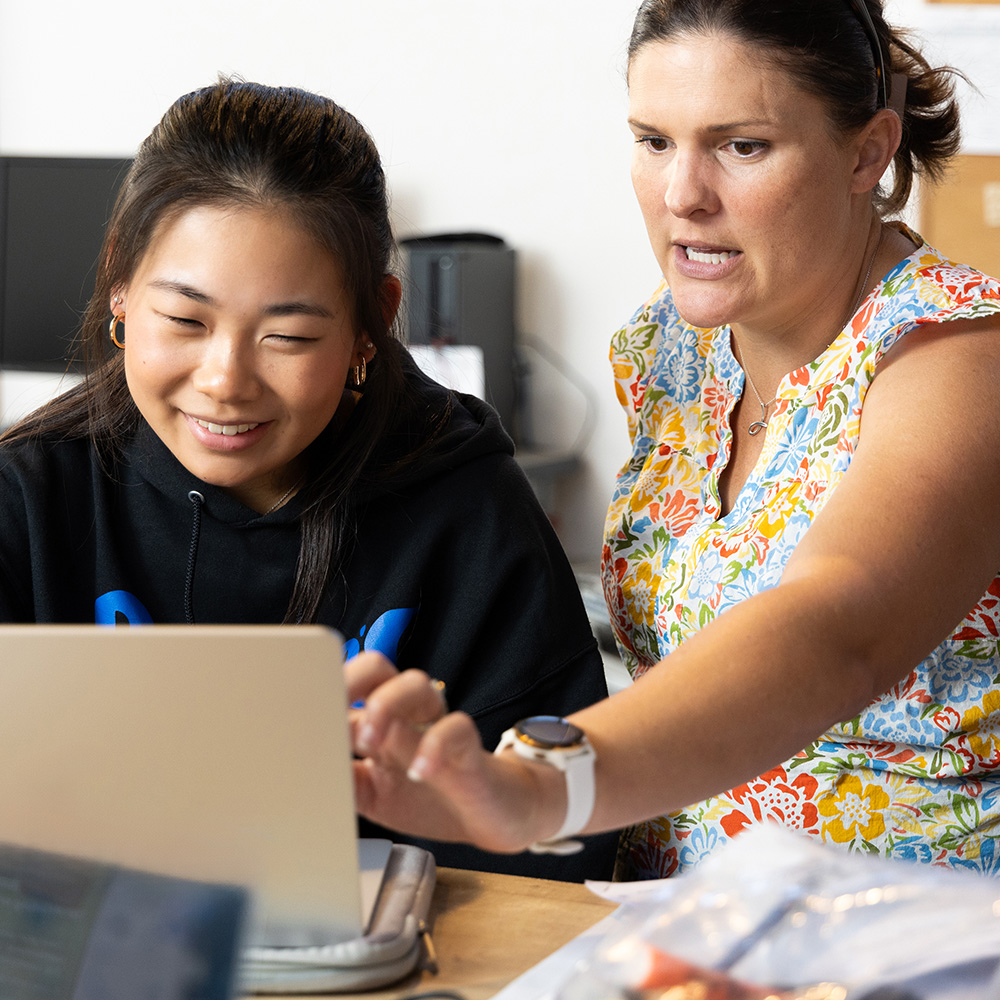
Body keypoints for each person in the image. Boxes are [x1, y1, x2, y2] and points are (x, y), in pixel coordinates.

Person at [347, 0, 1000, 879]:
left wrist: (542, 785)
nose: (681, 195)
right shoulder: (676, 348)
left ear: (868, 152)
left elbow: (835, 626)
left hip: (907, 940)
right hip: (676, 926)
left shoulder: (959, 352)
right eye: (654, 141)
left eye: (742, 147)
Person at [0, 79, 619, 881]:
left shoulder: (467, 509)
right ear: (120, 282)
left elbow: (563, 850)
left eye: (287, 335)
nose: (225, 379)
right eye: (185, 320)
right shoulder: (30, 500)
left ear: (371, 323)